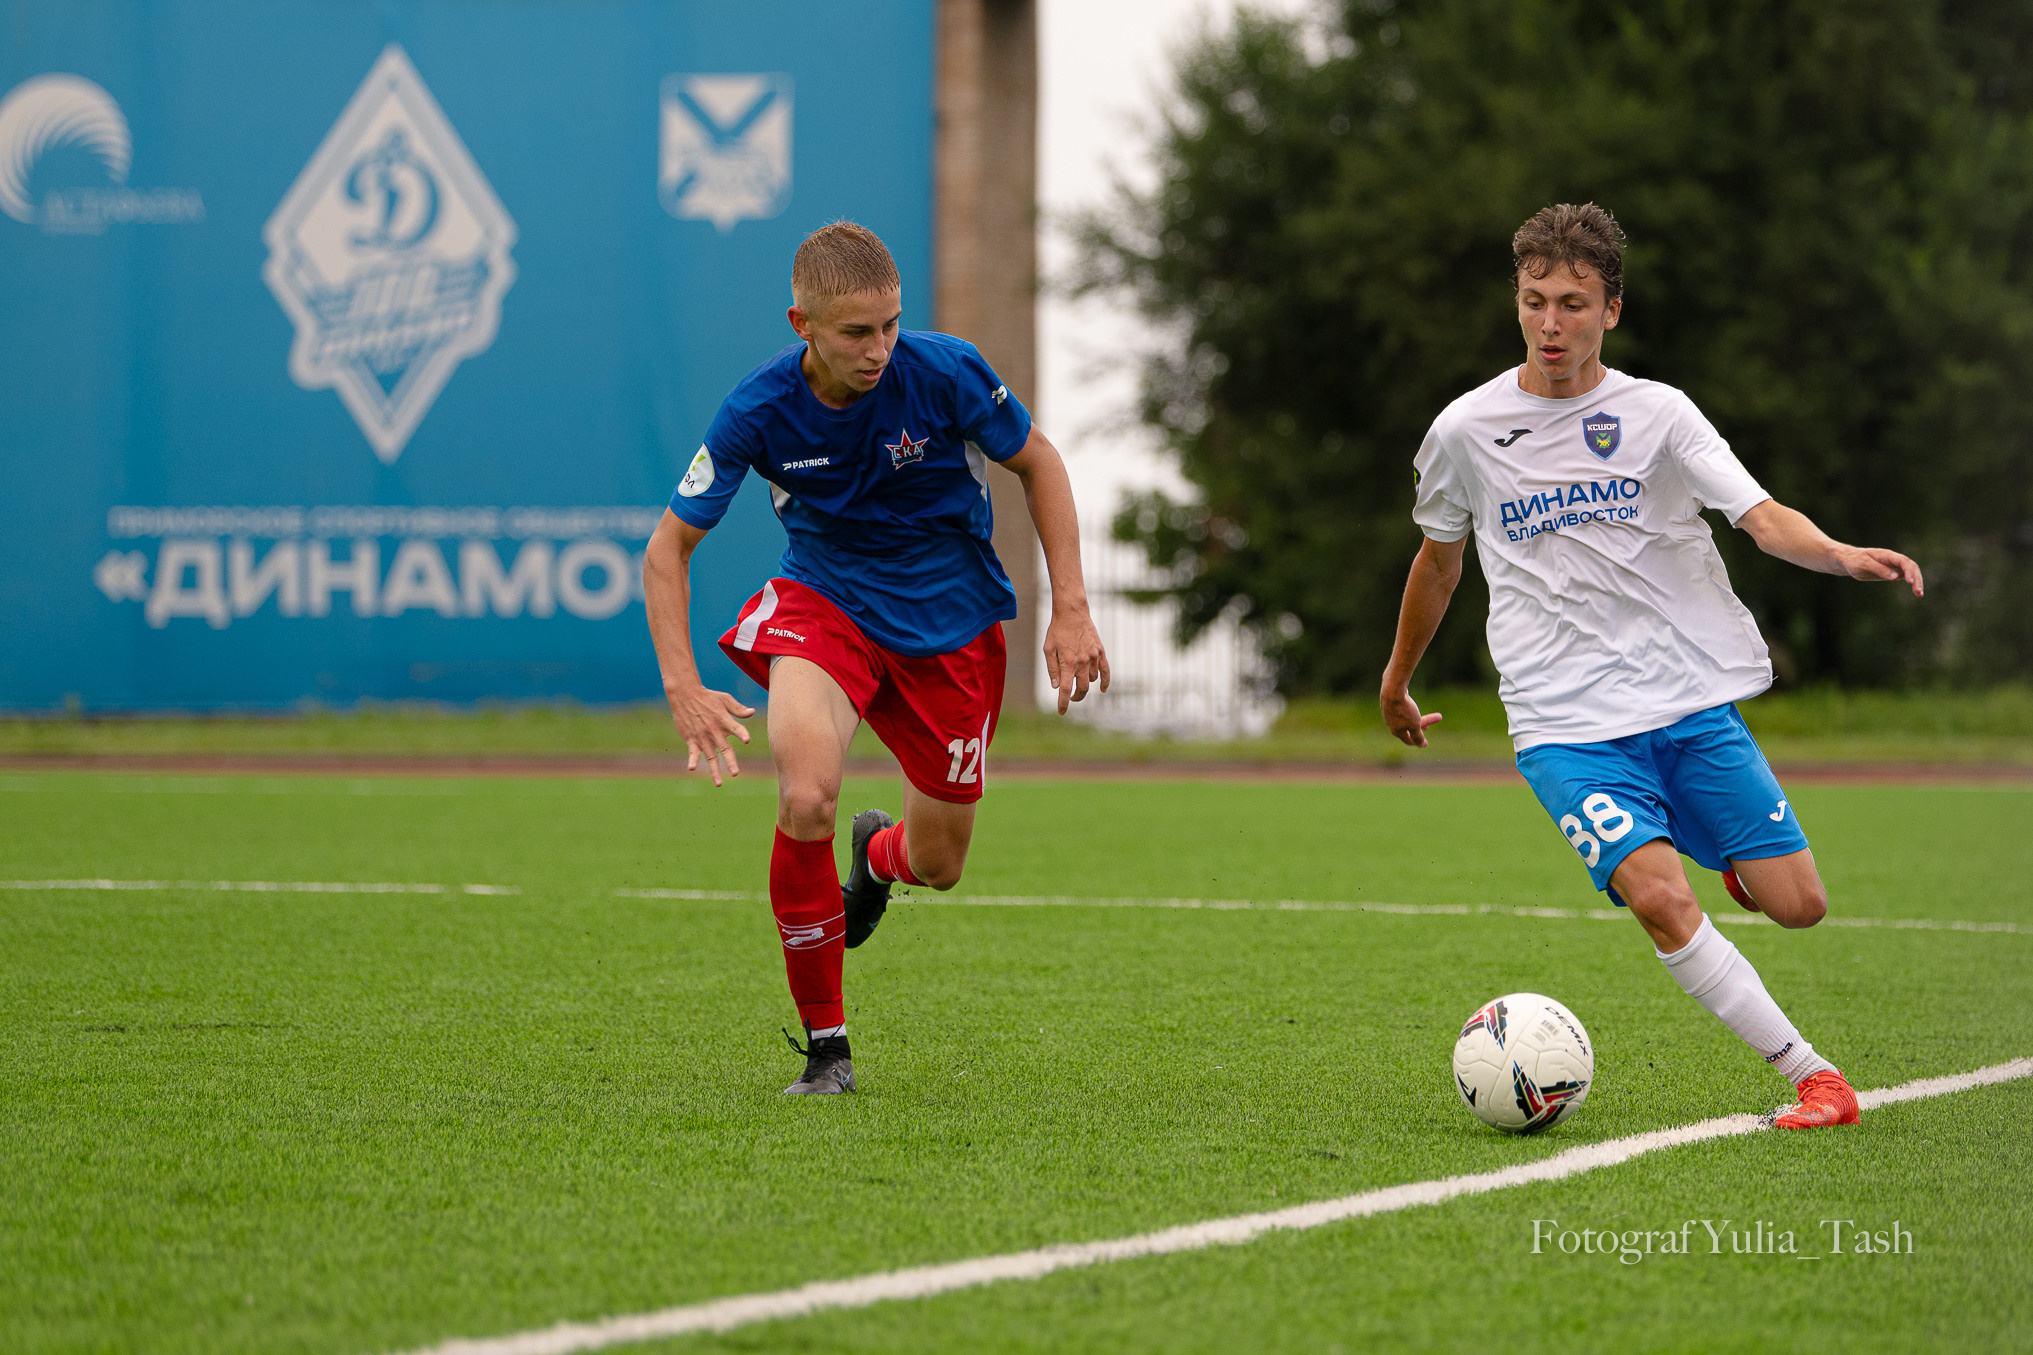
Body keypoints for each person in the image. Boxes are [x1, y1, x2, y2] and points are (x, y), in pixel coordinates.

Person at [1380, 203, 1924, 1130]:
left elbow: (1757, 514)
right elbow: (1439, 559)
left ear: (1611, 310)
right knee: (1661, 901)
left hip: (1683, 702)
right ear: (1516, 304)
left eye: (1573, 304)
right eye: (1534, 302)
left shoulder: (1658, 413)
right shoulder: (1465, 431)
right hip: (1563, 726)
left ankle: (1731, 862)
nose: (1552, 324)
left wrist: (1839, 554)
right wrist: (1395, 679)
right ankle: (1813, 1076)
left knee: (1798, 905)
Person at [643, 220, 1108, 1096]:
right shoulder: (756, 409)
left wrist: (1071, 607)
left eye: (890, 325)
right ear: (802, 324)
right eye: (857, 332)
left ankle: (879, 859)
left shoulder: (945, 370)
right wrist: (682, 685)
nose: (880, 348)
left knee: (940, 862)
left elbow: (1038, 463)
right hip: (827, 606)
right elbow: (667, 548)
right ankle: (828, 1051)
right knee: (806, 790)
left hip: (953, 623)